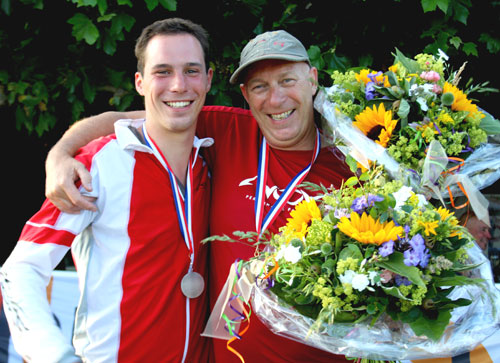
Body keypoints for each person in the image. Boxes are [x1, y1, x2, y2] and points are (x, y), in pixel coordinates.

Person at [44, 30, 353, 362]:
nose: (276, 99)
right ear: (246, 94)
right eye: (261, 87)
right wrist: (59, 155)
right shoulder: (225, 130)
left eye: (287, 80)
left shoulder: (353, 168)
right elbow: (117, 121)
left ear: (313, 80)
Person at [1, 18, 214, 362]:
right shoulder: (98, 164)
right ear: (140, 83)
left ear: (208, 79)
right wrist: (54, 356)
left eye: (191, 70)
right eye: (162, 72)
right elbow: (20, 270)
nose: (178, 85)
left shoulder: (214, 153)